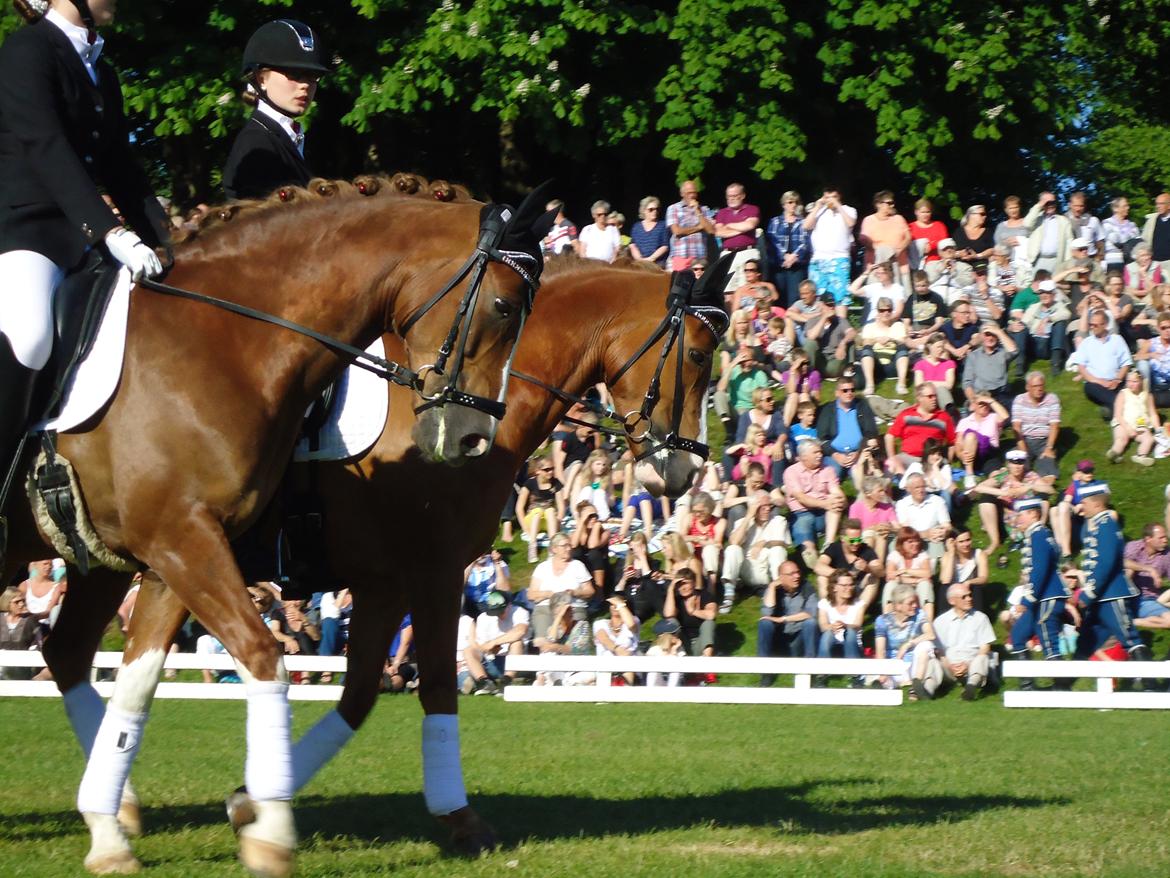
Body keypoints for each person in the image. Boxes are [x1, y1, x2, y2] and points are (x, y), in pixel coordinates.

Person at [0, 0, 172, 496]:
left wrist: (168, 240)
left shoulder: (103, 69)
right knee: (31, 336)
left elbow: (120, 166)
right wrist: (111, 232)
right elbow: (45, 145)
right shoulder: (26, 50)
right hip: (26, 232)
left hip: (83, 239)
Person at [224, 19, 329, 200]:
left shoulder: (287, 138)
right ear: (261, 79)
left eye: (313, 76)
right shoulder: (256, 144)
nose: (305, 85)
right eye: (293, 74)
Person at [1074, 483, 1150, 662]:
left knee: (1130, 639)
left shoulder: (1106, 525)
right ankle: (1062, 687)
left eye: (1084, 503)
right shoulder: (1098, 525)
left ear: (1097, 504)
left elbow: (1105, 564)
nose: (1081, 507)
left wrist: (1088, 594)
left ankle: (1151, 686)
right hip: (1101, 598)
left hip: (1111, 596)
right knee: (1085, 642)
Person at [720, 490, 789, 612]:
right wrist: (748, 517)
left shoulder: (778, 520)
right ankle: (729, 595)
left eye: (769, 505)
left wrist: (763, 543)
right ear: (753, 508)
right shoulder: (743, 522)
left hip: (768, 571)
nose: (767, 509)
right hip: (748, 570)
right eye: (763, 506)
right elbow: (734, 541)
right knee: (732, 549)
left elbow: (782, 542)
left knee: (778, 550)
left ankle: (780, 591)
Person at [782, 440, 846, 568]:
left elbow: (837, 492)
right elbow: (801, 498)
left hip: (825, 513)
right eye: (815, 452)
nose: (820, 455)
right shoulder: (791, 472)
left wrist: (840, 500)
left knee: (835, 501)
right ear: (804, 456)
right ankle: (811, 556)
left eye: (820, 452)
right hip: (802, 512)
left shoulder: (828, 469)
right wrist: (825, 503)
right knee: (805, 534)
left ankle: (829, 543)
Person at [873, 583, 941, 701]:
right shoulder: (882, 620)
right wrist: (882, 671)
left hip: (915, 664)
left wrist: (908, 644)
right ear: (898, 606)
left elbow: (930, 634)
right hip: (894, 663)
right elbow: (880, 650)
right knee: (886, 678)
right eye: (910, 603)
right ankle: (884, 685)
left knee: (926, 645)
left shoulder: (919, 615)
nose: (915, 605)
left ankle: (916, 685)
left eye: (915, 602)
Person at [757, 561, 817, 685]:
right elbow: (766, 613)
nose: (797, 576)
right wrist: (772, 587)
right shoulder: (774, 589)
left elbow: (811, 613)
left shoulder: (807, 587)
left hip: (798, 638)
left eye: (797, 572)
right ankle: (765, 672)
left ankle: (809, 670)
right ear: (781, 577)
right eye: (791, 574)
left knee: (810, 623)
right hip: (778, 640)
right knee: (764, 624)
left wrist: (783, 619)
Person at [933, 582, 996, 700]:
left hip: (972, 666)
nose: (969, 599)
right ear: (952, 601)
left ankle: (970, 688)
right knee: (932, 662)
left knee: (982, 658)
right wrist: (949, 665)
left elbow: (985, 647)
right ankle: (926, 690)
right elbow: (938, 650)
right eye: (964, 597)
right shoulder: (940, 621)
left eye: (970, 595)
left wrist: (968, 665)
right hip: (949, 667)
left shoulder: (980, 618)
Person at [527, 533, 595, 639]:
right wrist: (547, 594)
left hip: (573, 608)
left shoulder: (578, 566)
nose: (568, 549)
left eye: (569, 545)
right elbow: (531, 594)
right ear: (554, 549)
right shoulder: (542, 567)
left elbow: (590, 591)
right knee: (544, 638)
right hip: (546, 607)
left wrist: (575, 592)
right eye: (564, 546)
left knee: (575, 641)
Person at [803, 186, 857, 318]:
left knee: (841, 296)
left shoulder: (849, 210)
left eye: (833, 196)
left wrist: (837, 205)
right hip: (818, 259)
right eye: (827, 197)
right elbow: (806, 225)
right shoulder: (819, 212)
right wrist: (818, 206)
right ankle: (819, 326)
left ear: (839, 196)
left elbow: (850, 223)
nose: (830, 200)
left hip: (839, 258)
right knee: (816, 295)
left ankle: (842, 327)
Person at [816, 377, 880, 484]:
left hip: (859, 452)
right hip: (835, 453)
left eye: (852, 390)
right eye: (845, 390)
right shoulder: (827, 409)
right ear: (837, 393)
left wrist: (858, 452)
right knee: (832, 476)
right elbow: (821, 437)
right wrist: (835, 455)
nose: (849, 393)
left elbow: (871, 431)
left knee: (867, 481)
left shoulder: (862, 406)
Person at [1067, 309, 1132, 414]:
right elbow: (1082, 368)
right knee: (1090, 387)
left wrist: (1117, 379)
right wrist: (1100, 381)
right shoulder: (1086, 343)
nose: (1092, 327)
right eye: (1090, 324)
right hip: (1095, 383)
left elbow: (1126, 363)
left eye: (1095, 325)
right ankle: (1125, 408)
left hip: (1116, 381)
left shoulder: (1117, 340)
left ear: (1105, 325)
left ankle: (1111, 410)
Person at [885, 383, 956, 474]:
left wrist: (948, 461)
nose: (934, 399)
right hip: (908, 458)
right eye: (930, 396)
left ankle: (908, 481)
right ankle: (905, 482)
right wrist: (892, 457)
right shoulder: (907, 415)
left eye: (935, 396)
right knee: (890, 464)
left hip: (932, 460)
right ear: (920, 398)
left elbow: (952, 442)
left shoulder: (943, 417)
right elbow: (889, 436)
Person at [472, 589, 530, 686]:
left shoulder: (519, 612)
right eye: (495, 612)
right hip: (493, 660)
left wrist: (494, 642)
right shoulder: (483, 617)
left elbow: (520, 631)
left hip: (517, 661)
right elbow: (482, 646)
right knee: (469, 650)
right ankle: (484, 682)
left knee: (517, 643)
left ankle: (507, 679)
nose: (498, 615)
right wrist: (491, 649)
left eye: (501, 612)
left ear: (509, 605)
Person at [1009, 372, 1061, 479]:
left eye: (1041, 385)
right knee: (1018, 469)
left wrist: (1049, 447)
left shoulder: (1052, 399)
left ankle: (1042, 487)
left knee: (1048, 472)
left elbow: (1054, 426)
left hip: (1044, 441)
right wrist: (1023, 449)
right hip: (1024, 440)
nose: (1039, 389)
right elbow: (1016, 427)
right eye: (1035, 386)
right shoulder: (1019, 400)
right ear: (1027, 387)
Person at [813, 518, 881, 598]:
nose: (856, 543)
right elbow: (818, 567)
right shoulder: (834, 548)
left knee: (874, 578)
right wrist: (843, 575)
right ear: (842, 538)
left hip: (856, 588)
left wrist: (868, 568)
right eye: (852, 540)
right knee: (822, 578)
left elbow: (881, 572)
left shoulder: (866, 549)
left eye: (858, 539)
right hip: (838, 587)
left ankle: (860, 609)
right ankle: (827, 607)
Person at [857, 296, 910, 395]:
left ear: (892, 311)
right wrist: (876, 340)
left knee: (902, 348)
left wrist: (891, 339)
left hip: (893, 362)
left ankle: (901, 384)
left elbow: (903, 341)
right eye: (882, 310)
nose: (886, 313)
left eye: (889, 310)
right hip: (876, 364)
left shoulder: (898, 325)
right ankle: (870, 385)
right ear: (878, 311)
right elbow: (865, 342)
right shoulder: (869, 326)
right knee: (867, 349)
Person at [515, 457, 564, 563]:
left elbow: (561, 507)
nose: (550, 472)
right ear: (538, 471)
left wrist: (558, 521)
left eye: (552, 468)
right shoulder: (530, 483)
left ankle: (553, 546)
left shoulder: (555, 483)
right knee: (538, 511)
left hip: (547, 520)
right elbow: (519, 508)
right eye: (546, 469)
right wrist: (525, 528)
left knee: (550, 511)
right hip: (533, 520)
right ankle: (532, 546)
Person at [954, 393, 1010, 486]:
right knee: (971, 435)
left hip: (989, 455)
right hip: (970, 457)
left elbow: (1005, 416)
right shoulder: (964, 421)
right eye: (981, 403)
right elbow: (958, 442)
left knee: (999, 478)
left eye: (986, 404)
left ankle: (980, 488)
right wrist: (960, 455)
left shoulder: (994, 417)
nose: (984, 406)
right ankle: (969, 476)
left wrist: (991, 401)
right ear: (974, 405)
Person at [766, 191, 810, 306]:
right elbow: (772, 240)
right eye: (790, 202)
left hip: (797, 266)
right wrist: (784, 255)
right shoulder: (775, 221)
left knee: (795, 299)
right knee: (779, 299)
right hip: (779, 265)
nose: (793, 205)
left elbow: (805, 242)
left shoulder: (802, 222)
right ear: (784, 204)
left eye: (796, 202)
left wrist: (794, 256)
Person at [1107, 371, 1160, 466]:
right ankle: (1114, 453)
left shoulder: (1147, 395)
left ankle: (1140, 456)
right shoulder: (1123, 393)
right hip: (1123, 422)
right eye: (1128, 381)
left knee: (1149, 439)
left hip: (1140, 423)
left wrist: (1158, 429)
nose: (1130, 384)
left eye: (1134, 381)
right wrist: (1127, 428)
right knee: (1121, 439)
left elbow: (1153, 414)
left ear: (1141, 382)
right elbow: (1118, 414)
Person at [816, 571, 871, 662]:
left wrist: (845, 625)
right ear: (834, 587)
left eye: (851, 585)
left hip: (852, 643)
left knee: (850, 631)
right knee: (827, 633)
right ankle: (822, 669)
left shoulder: (859, 604)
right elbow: (823, 626)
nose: (848, 588)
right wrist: (832, 626)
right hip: (833, 642)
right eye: (844, 585)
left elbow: (858, 625)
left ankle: (854, 669)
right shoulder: (824, 604)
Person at [894, 473, 951, 560]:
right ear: (909, 489)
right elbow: (904, 530)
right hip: (911, 540)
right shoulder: (902, 504)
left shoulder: (937, 501)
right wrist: (925, 534)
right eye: (917, 487)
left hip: (934, 539)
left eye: (923, 487)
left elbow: (947, 525)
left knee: (937, 558)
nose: (921, 490)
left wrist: (943, 533)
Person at [882, 526, 936, 618]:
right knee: (890, 585)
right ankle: (888, 621)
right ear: (901, 543)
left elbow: (927, 573)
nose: (915, 544)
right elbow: (890, 575)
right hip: (900, 589)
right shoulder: (895, 555)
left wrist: (905, 571)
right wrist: (915, 580)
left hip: (917, 590)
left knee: (925, 585)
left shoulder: (922, 555)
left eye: (917, 541)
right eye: (910, 542)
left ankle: (927, 623)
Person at [662, 568, 717, 658]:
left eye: (685, 583)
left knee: (709, 623)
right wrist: (670, 589)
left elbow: (711, 615)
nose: (682, 587)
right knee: (671, 622)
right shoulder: (676, 599)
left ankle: (707, 662)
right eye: (679, 584)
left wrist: (693, 611)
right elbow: (668, 615)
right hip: (682, 643)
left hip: (703, 641)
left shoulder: (704, 595)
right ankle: (676, 658)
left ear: (694, 583)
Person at [1124, 524, 1170, 629]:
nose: (1165, 540)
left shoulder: (1167, 555)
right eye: (1161, 538)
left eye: (1165, 537)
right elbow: (1121, 562)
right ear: (1148, 539)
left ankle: (1133, 621)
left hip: (1147, 599)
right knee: (1129, 570)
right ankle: (1126, 611)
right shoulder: (1134, 546)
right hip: (1127, 594)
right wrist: (1150, 569)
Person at [961, 324, 1017, 408]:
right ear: (981, 336)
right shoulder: (973, 356)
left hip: (1001, 395)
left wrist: (999, 332)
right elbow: (967, 383)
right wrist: (973, 400)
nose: (990, 338)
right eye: (987, 335)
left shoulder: (1003, 353)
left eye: (993, 335)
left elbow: (1014, 351)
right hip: (980, 395)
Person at [1021, 281, 1072, 373]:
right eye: (1041, 292)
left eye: (1047, 292)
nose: (1044, 295)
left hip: (1049, 344)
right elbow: (1025, 321)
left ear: (1053, 294)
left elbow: (1067, 314)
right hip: (1034, 342)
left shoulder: (1059, 306)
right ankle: (1020, 363)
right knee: (1020, 329)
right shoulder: (1034, 307)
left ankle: (1055, 364)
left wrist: (1049, 319)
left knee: (1060, 324)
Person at [665, 180, 715, 271]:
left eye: (694, 193)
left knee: (699, 284)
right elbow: (677, 231)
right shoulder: (673, 208)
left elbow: (711, 230)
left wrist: (697, 211)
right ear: (682, 194)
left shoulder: (704, 209)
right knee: (679, 284)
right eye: (688, 193)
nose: (692, 196)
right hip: (680, 256)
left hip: (699, 257)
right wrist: (699, 227)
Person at [858, 190, 911, 272]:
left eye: (893, 203)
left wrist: (899, 249)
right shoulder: (868, 220)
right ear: (878, 204)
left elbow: (908, 237)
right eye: (889, 203)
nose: (892, 205)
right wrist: (882, 253)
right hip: (876, 266)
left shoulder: (899, 218)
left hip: (900, 265)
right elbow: (863, 239)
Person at [939, 528, 989, 612]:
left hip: (970, 588)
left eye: (968, 540)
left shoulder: (979, 554)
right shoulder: (947, 556)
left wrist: (969, 582)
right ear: (954, 542)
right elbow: (945, 580)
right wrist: (951, 553)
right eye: (961, 542)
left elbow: (984, 578)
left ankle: (976, 616)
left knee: (976, 587)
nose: (966, 544)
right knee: (944, 588)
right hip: (954, 589)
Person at [1024, 191, 1073, 275]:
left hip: (1058, 260)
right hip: (1038, 260)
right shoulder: (1037, 218)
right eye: (1047, 202)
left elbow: (1070, 243)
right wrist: (1039, 205)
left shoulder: (1063, 221)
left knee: (1055, 287)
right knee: (1036, 287)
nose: (1050, 204)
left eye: (1053, 202)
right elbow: (1026, 224)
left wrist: (1067, 263)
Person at [0, 587, 41, 679]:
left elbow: (38, 644)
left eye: (23, 601)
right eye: (17, 602)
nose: (21, 604)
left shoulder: (31, 621)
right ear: (7, 603)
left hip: (21, 667)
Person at [463, 550, 510, 616]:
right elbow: (459, 586)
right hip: (469, 603)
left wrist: (496, 563)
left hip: (492, 603)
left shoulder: (497, 563)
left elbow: (504, 589)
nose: (481, 555)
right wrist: (472, 562)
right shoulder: (465, 564)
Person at [628, 196, 669, 268]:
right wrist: (640, 259)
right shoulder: (636, 227)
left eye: (657, 209)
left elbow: (665, 246)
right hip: (639, 265)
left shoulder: (663, 225)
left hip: (658, 265)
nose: (655, 211)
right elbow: (632, 245)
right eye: (651, 209)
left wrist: (650, 259)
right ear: (644, 210)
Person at [908, 198, 948, 267]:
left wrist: (931, 246)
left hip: (937, 264)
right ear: (916, 212)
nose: (925, 215)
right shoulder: (910, 227)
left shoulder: (939, 225)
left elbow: (945, 243)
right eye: (923, 212)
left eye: (928, 212)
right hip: (917, 265)